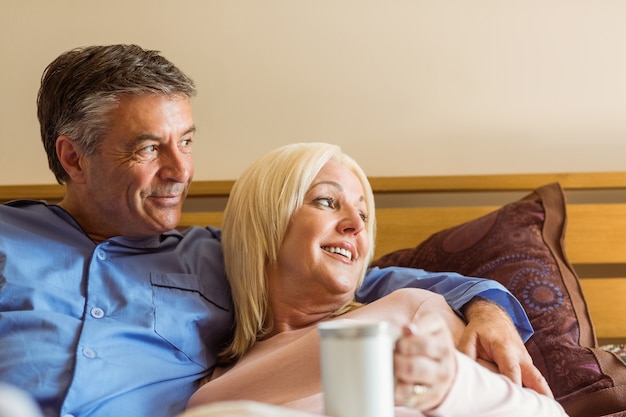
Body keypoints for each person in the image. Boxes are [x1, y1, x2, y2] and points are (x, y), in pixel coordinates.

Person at [0, 44, 544, 417]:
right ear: (73, 157)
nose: (180, 170)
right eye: (149, 147)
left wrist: (487, 306)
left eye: (186, 142)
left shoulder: (216, 256)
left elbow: (356, 276)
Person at [185, 143, 567, 416]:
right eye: (325, 201)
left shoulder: (409, 314)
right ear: (263, 223)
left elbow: (545, 413)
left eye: (364, 216)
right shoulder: (209, 385)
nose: (355, 226)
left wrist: (450, 383)